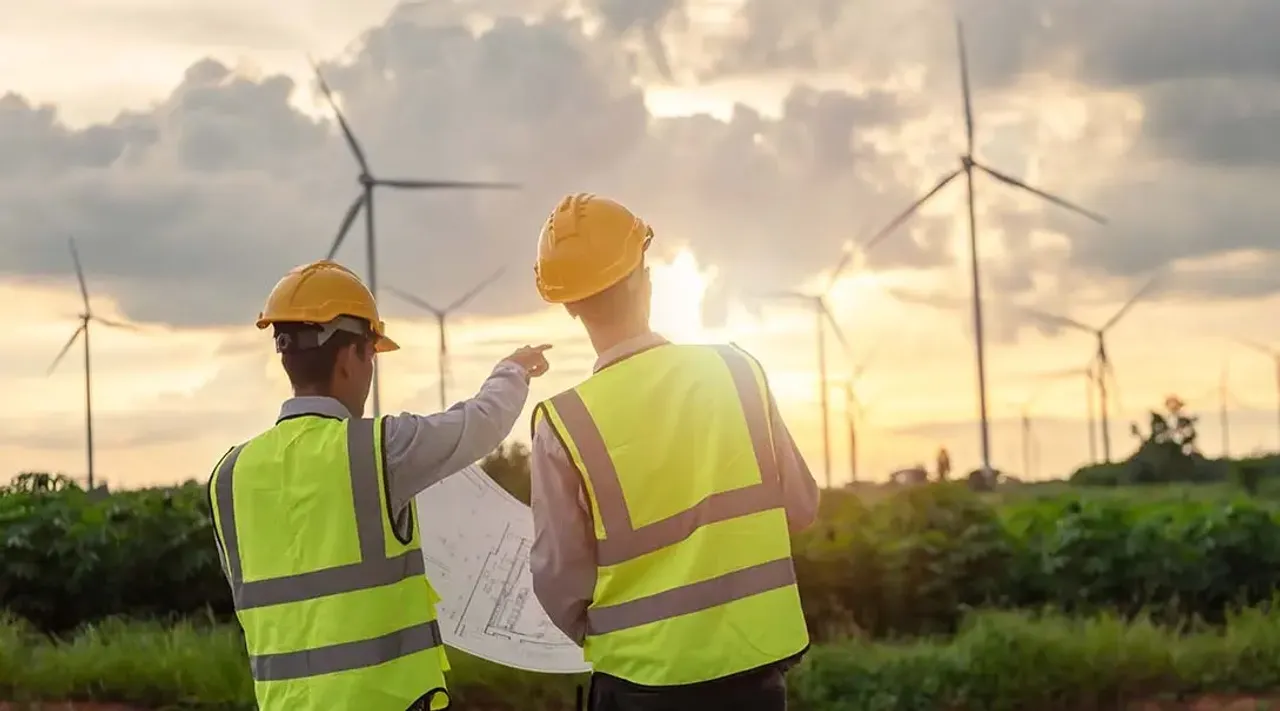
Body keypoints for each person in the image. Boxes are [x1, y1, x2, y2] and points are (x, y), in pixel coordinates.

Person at [207, 259, 550, 711]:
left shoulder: (228, 476)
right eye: (371, 353)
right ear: (351, 358)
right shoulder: (377, 451)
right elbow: (479, 424)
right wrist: (513, 370)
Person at [526, 193, 820, 711]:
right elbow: (802, 508)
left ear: (569, 306)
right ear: (645, 276)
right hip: (753, 677)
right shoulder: (737, 371)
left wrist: (620, 638)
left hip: (638, 685)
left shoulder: (563, 425)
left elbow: (559, 582)